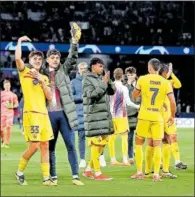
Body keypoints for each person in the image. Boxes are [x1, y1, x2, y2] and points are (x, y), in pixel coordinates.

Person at [41, 23, 84, 186]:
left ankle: (75, 176)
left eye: (57, 57)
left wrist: (74, 42)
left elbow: (72, 58)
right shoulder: (42, 73)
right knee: (50, 147)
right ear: (47, 59)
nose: (55, 60)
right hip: (49, 114)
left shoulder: (63, 70)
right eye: (52, 57)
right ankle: (53, 176)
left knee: (71, 145)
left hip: (64, 114)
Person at [15, 36, 55, 186]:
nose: (37, 60)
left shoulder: (44, 77)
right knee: (34, 145)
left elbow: (50, 97)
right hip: (31, 114)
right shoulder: (24, 72)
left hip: (44, 115)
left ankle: (46, 178)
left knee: (45, 145)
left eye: (39, 59)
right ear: (30, 60)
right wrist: (19, 42)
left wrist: (41, 81)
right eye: (35, 58)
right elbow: (18, 58)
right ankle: (19, 171)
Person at [131, 58, 176, 182]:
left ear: (149, 68)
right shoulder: (165, 82)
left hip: (144, 116)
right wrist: (172, 116)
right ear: (159, 69)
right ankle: (156, 174)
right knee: (157, 146)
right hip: (158, 117)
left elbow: (134, 96)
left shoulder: (142, 79)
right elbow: (172, 102)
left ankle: (140, 172)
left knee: (139, 144)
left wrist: (137, 89)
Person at [82, 57, 115, 181]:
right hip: (94, 116)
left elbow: (112, 92)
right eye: (100, 66)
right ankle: (97, 173)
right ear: (93, 67)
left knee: (102, 144)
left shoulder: (101, 78)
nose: (102, 68)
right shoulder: (87, 80)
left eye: (103, 66)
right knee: (97, 144)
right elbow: (92, 95)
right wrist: (103, 83)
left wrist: (108, 81)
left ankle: (88, 170)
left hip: (104, 116)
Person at [159, 63, 187, 173]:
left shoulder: (169, 82)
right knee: (161, 140)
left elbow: (179, 85)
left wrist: (172, 74)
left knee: (173, 138)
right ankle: (160, 163)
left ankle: (177, 162)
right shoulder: (160, 83)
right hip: (160, 115)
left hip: (169, 116)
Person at [108, 68, 139, 166]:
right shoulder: (124, 88)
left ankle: (113, 159)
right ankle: (125, 159)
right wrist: (137, 106)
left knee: (111, 138)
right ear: (122, 76)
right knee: (124, 137)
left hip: (112, 115)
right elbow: (128, 102)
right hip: (122, 115)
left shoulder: (110, 87)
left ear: (114, 75)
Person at [71, 62, 88, 168]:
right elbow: (70, 97)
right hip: (78, 113)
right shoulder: (73, 82)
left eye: (85, 68)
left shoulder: (91, 81)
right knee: (79, 137)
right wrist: (82, 97)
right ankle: (82, 159)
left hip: (90, 112)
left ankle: (100, 157)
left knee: (95, 136)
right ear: (78, 69)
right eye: (81, 68)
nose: (83, 70)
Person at [125, 67, 141, 165]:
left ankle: (137, 150)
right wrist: (129, 84)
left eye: (131, 75)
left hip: (140, 113)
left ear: (135, 74)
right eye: (128, 75)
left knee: (140, 136)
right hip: (129, 114)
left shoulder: (141, 84)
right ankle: (130, 156)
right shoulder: (125, 85)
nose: (130, 77)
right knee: (129, 138)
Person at [1, 79, 19, 148]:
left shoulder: (13, 95)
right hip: (2, 114)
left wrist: (12, 106)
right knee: (1, 129)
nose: (7, 86)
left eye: (8, 85)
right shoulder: (1, 94)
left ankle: (6, 143)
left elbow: (16, 104)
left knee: (8, 127)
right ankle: (3, 140)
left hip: (10, 114)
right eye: (6, 85)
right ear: (4, 86)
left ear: (10, 86)